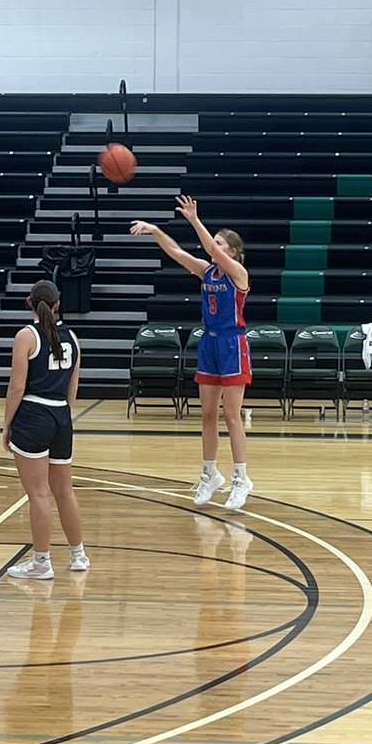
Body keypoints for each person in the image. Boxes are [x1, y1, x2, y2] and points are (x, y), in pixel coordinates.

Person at [130, 195, 253, 510]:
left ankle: (241, 479)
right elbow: (176, 252)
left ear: (234, 252)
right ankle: (210, 474)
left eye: (221, 244)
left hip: (232, 343)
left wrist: (194, 220)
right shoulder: (207, 272)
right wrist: (155, 229)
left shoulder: (238, 274)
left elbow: (209, 250)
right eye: (215, 243)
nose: (214, 247)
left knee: (232, 415)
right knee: (208, 415)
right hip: (209, 343)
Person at [2, 279, 90, 581]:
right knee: (65, 491)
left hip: (33, 413)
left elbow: (16, 387)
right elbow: (73, 390)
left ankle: (41, 562)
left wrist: (7, 425)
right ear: (58, 304)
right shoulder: (74, 337)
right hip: (62, 416)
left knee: (38, 494)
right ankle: (79, 555)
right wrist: (61, 416)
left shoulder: (26, 336)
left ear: (29, 302)